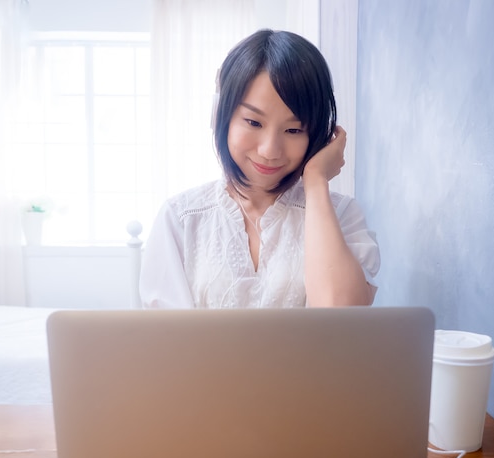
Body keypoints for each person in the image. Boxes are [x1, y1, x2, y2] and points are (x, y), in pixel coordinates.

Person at [140, 29, 380, 309]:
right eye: (253, 122)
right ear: (221, 115)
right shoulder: (181, 219)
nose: (269, 151)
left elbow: (344, 328)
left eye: (293, 129)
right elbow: (166, 344)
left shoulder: (341, 215)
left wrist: (316, 181)